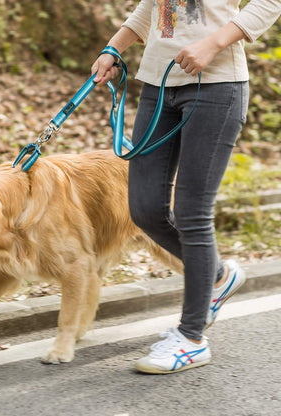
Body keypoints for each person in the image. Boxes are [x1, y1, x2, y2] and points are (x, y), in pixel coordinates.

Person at [91, 0, 281, 374]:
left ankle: (192, 339)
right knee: (144, 207)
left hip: (217, 86)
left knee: (193, 212)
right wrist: (115, 46)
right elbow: (154, 6)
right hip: (160, 85)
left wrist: (212, 44)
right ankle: (217, 276)